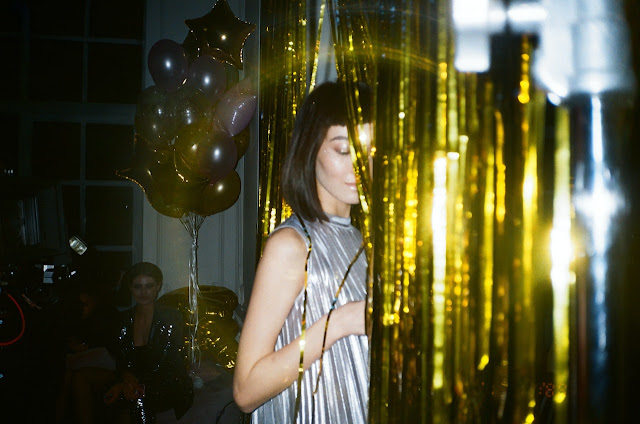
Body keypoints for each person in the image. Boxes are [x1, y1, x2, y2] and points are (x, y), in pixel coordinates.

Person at [233, 81, 373, 423]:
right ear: (311, 149)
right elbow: (246, 392)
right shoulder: (291, 245)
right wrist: (338, 323)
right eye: (343, 150)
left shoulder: (360, 240)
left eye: (371, 150)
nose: (361, 165)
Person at [103, 262, 193, 423]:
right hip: (133, 381)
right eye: (138, 287)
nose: (143, 292)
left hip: (167, 381)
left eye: (149, 286)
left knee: (138, 396)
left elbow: (167, 362)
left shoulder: (172, 317)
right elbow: (121, 359)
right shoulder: (123, 320)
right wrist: (126, 378)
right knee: (106, 392)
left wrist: (134, 384)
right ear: (130, 288)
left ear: (158, 286)